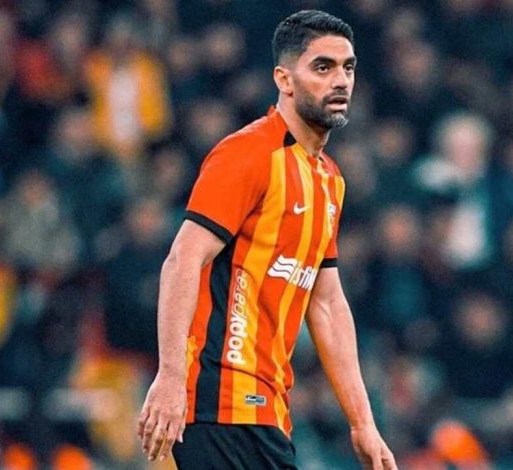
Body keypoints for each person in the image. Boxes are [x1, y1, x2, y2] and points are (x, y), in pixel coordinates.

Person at [137, 10, 397, 470]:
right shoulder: (249, 153)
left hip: (268, 412)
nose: (340, 80)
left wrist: (363, 423)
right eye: (323, 67)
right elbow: (183, 259)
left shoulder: (329, 181)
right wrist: (172, 377)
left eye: (348, 67)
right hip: (217, 404)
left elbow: (327, 303)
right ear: (284, 79)